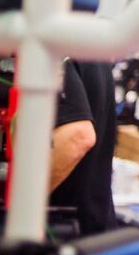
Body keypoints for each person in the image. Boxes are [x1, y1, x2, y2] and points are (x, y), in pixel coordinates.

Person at [50, 59, 118, 235]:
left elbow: (77, 137)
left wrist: (17, 207)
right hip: (91, 225)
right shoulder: (89, 44)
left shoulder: (55, 41)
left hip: (62, 234)